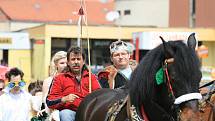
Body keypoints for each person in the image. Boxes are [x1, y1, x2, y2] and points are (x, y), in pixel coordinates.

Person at [46, 47, 101, 121]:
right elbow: (49, 101)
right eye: (73, 59)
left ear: (83, 61)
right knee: (65, 114)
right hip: (69, 112)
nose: (76, 62)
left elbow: (100, 97)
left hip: (88, 113)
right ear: (68, 62)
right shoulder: (59, 78)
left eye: (78, 59)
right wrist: (64, 99)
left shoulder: (92, 77)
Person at [42, 51, 67, 121]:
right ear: (56, 65)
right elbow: (44, 103)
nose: (65, 65)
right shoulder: (48, 81)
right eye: (62, 63)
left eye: (67, 63)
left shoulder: (74, 79)